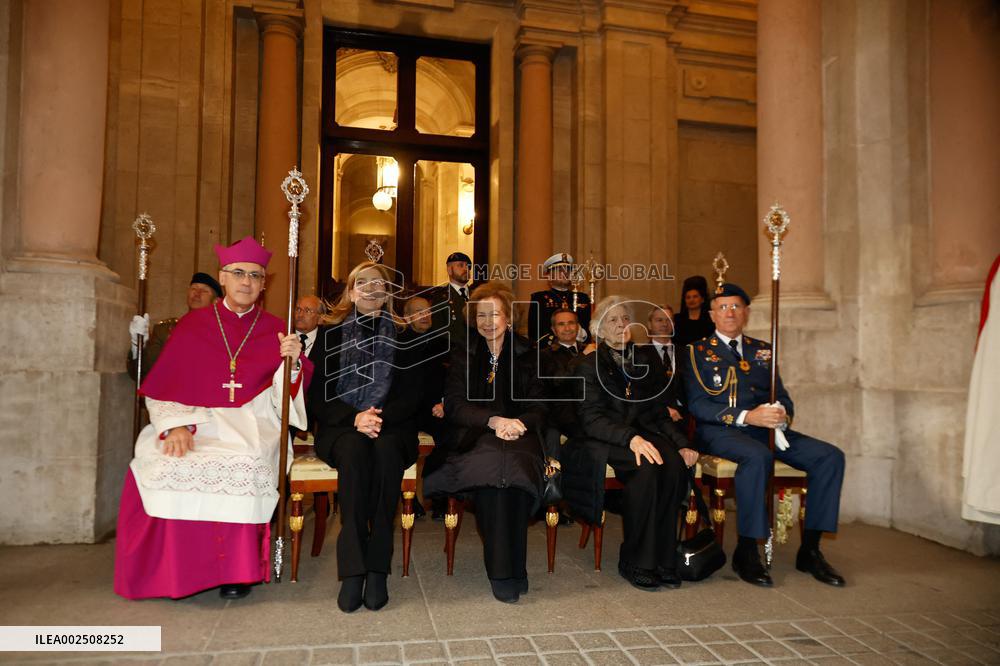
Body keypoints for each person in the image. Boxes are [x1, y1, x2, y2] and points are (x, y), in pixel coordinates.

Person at [114, 237, 310, 601]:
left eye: (255, 275)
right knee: (158, 460)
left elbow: (285, 399)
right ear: (223, 277)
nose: (246, 282)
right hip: (197, 419)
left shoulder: (276, 328)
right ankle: (177, 569)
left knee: (246, 462)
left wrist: (293, 362)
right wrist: (175, 425)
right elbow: (167, 383)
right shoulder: (193, 326)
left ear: (264, 283)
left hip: (252, 420)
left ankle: (236, 571)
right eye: (238, 273)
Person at [683, 283, 846, 588]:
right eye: (723, 307)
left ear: (745, 313)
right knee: (758, 457)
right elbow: (698, 404)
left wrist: (781, 414)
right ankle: (747, 550)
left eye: (736, 307)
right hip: (722, 432)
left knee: (830, 457)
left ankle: (810, 550)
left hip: (768, 431)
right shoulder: (696, 352)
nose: (730, 313)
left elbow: (783, 397)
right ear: (712, 315)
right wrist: (748, 416)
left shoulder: (763, 350)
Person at [307, 262, 422, 613]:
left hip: (392, 428)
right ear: (352, 291)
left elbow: (416, 394)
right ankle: (354, 571)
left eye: (379, 283)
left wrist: (377, 419)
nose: (372, 288)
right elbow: (316, 394)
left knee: (387, 454)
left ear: (389, 293)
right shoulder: (329, 334)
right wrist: (354, 418)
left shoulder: (406, 336)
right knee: (355, 454)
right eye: (363, 282)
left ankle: (377, 569)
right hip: (342, 427)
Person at [422, 282, 547, 604]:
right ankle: (502, 572)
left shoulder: (529, 352)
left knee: (516, 474)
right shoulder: (465, 354)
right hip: (475, 435)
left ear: (508, 317)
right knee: (492, 476)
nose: (488, 321)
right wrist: (493, 421)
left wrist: (519, 423)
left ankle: (515, 567)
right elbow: (455, 404)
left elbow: (542, 404)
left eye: (495, 314)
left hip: (522, 434)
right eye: (481, 315)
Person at [562, 296, 695, 591]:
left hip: (638, 434)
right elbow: (591, 419)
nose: (621, 324)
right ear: (598, 329)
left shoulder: (643, 360)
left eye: (624, 318)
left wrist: (681, 442)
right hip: (600, 439)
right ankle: (636, 560)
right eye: (613, 319)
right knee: (645, 467)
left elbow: (657, 411)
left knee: (673, 464)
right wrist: (630, 438)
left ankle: (665, 559)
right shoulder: (587, 365)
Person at [127, 272, 223, 379]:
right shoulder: (165, 330)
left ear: (216, 301)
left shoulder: (223, 335)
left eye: (204, 290)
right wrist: (137, 345)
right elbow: (144, 374)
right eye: (193, 288)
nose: (197, 293)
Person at [538, 309, 586, 458]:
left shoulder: (591, 350)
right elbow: (557, 382)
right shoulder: (545, 355)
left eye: (571, 323)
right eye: (561, 324)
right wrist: (582, 357)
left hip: (591, 409)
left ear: (578, 326)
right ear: (554, 329)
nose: (567, 328)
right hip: (562, 414)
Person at [529, 253, 591, 347]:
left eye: (568, 270)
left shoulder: (583, 298)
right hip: (551, 351)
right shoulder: (539, 298)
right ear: (549, 276)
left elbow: (590, 329)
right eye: (559, 270)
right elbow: (535, 333)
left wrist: (582, 334)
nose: (565, 273)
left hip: (580, 349)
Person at [646, 304, 684, 423]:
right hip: (655, 417)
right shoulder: (639, 355)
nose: (664, 324)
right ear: (649, 324)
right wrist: (663, 409)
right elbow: (641, 392)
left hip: (687, 417)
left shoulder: (687, 353)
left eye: (669, 320)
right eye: (659, 320)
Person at [429, 251, 474, 342]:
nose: (466, 269)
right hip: (453, 351)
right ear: (449, 270)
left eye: (468, 266)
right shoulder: (440, 297)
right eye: (461, 265)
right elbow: (439, 331)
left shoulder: (478, 295)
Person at [673, 275, 714, 349]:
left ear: (702, 300)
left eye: (695, 296)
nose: (691, 300)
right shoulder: (677, 320)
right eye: (688, 297)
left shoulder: (711, 320)